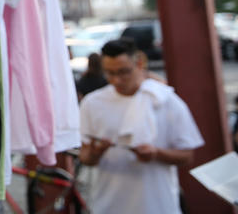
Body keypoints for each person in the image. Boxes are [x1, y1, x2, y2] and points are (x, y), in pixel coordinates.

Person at [79, 38, 204, 213]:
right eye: (109, 73)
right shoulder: (92, 103)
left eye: (123, 72)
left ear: (138, 64)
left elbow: (187, 155)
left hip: (158, 203)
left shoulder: (165, 100)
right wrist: (96, 152)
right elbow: (85, 157)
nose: (116, 80)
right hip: (110, 203)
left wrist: (156, 153)